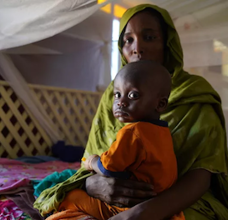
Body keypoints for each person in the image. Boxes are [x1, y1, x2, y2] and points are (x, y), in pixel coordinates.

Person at [34, 4, 228, 220]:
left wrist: (142, 212)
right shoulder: (113, 94)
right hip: (111, 196)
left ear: (167, 44)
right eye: (128, 40)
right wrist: (92, 184)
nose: (137, 48)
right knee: (61, 199)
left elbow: (202, 173)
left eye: (149, 37)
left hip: (174, 200)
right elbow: (92, 156)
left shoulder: (195, 94)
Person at [46, 61, 184, 220]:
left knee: (71, 197)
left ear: (160, 104)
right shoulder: (164, 132)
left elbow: (108, 168)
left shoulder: (132, 132)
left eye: (133, 95)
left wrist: (92, 161)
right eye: (117, 94)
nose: (121, 102)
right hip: (158, 208)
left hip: (125, 208)